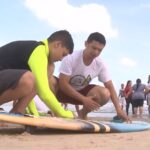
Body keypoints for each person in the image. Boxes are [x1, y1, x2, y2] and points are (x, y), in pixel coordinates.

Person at [56, 32, 130, 122]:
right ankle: (54, 110)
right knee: (49, 80)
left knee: (105, 93)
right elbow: (63, 84)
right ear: (86, 44)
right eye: (94, 48)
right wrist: (83, 99)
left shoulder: (100, 64)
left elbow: (110, 86)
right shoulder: (71, 57)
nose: (96, 52)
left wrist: (118, 110)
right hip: (63, 92)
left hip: (82, 93)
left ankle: (82, 113)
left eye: (99, 50)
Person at [0, 30, 74, 118]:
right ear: (57, 44)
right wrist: (62, 113)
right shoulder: (39, 51)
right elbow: (44, 92)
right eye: (63, 54)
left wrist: (34, 113)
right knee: (29, 79)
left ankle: (17, 111)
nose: (62, 59)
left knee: (43, 73)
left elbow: (33, 89)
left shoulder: (41, 55)